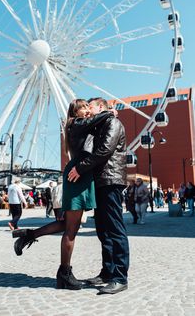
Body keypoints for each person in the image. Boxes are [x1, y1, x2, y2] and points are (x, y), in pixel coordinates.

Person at [12, 99, 111, 290]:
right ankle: (64, 273)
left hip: (80, 175)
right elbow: (94, 121)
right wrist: (109, 113)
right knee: (71, 230)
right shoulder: (76, 123)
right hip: (77, 176)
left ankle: (28, 235)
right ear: (75, 112)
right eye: (83, 107)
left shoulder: (77, 126)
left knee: (68, 224)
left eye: (87, 107)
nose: (87, 110)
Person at [68, 97, 129, 295]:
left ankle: (120, 277)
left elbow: (104, 151)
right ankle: (107, 272)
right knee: (103, 230)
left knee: (115, 229)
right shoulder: (98, 126)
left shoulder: (113, 122)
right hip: (100, 182)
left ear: (100, 107)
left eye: (90, 106)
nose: (88, 109)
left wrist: (80, 168)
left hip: (111, 180)